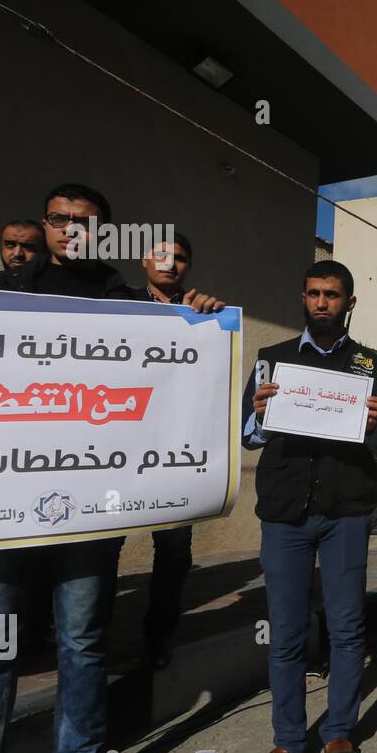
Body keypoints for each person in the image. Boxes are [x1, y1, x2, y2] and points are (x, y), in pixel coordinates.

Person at [0, 184, 222, 753]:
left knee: (82, 643)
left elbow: (174, 375)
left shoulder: (123, 302)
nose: (70, 230)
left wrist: (199, 318)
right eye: (59, 219)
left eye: (84, 223)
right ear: (45, 224)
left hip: (89, 514)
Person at [237, 259, 377, 753]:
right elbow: (247, 436)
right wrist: (259, 414)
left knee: (347, 628)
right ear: (303, 299)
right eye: (313, 293)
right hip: (284, 515)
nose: (321, 302)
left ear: (349, 303)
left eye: (332, 294)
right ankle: (287, 741)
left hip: (346, 513)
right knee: (285, 632)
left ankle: (338, 736)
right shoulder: (272, 361)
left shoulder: (370, 365)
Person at [133, 235, 226, 669]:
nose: (171, 264)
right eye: (162, 255)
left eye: (181, 258)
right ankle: (87, 640)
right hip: (113, 453)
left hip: (175, 453)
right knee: (103, 547)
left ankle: (159, 637)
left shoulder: (203, 315)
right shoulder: (115, 304)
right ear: (144, 259)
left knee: (173, 550)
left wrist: (212, 320)